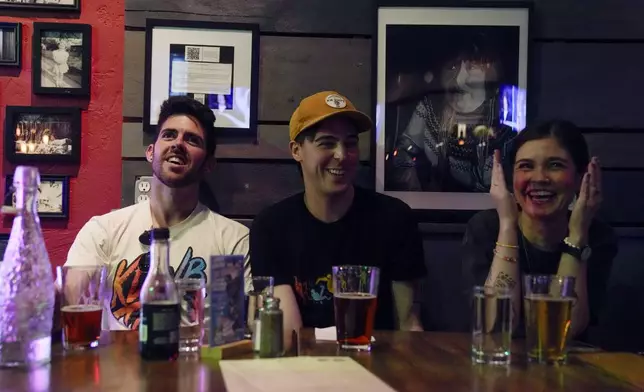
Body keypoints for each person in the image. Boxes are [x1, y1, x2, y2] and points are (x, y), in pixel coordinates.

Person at [249, 91, 428, 348]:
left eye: (351, 143)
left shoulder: (394, 218)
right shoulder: (271, 227)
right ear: (297, 150)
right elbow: (287, 332)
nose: (342, 155)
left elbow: (409, 325)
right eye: (327, 142)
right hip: (304, 369)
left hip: (379, 365)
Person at [63, 96, 250, 331]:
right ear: (151, 152)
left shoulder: (233, 240)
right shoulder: (103, 230)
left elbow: (234, 332)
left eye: (192, 140)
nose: (178, 144)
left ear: (209, 164)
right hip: (117, 365)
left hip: (195, 364)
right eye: (169, 135)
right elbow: (71, 297)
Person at [462, 120, 618, 343]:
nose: (539, 178)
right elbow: (494, 327)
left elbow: (561, 333)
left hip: (566, 370)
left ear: (581, 178)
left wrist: (576, 235)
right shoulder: (486, 228)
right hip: (497, 368)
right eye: (526, 166)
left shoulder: (597, 236)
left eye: (555, 165)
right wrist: (507, 225)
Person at [386, 34, 517, 193]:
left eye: (473, 65)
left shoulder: (504, 111)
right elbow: (404, 150)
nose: (461, 75)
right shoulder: (431, 108)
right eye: (453, 66)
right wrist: (413, 184)